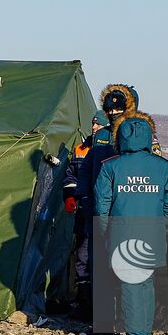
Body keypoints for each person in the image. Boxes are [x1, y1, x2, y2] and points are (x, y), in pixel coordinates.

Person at [94, 114, 168, 335]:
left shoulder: (111, 167)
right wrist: (163, 222)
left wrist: (105, 230)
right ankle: (143, 329)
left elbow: (101, 203)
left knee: (130, 282)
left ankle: (136, 333)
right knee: (146, 282)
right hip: (152, 231)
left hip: (122, 232)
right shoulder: (161, 167)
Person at [63, 111, 111, 320]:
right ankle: (84, 303)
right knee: (83, 256)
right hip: (85, 210)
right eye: (93, 124)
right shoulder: (81, 149)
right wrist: (70, 196)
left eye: (98, 125)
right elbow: (71, 175)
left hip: (107, 213)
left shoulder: (115, 147)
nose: (94, 128)